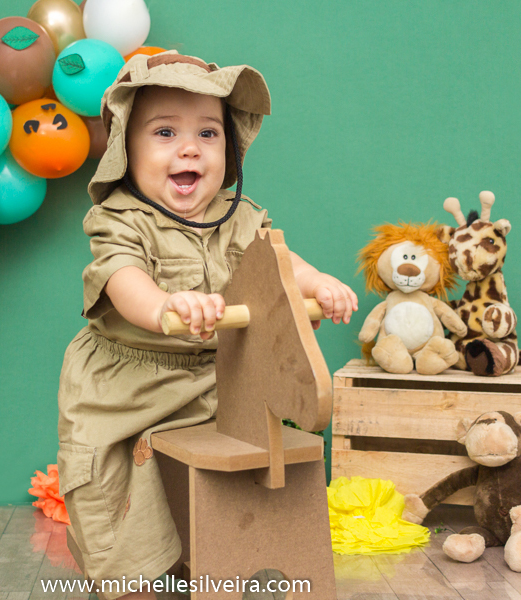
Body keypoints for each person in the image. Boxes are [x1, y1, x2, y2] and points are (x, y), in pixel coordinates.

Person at [57, 52, 357, 600]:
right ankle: (128, 580)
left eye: (208, 133)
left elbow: (279, 264)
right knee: (108, 489)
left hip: (217, 375)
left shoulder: (241, 216)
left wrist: (318, 285)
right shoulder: (120, 218)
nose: (189, 148)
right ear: (127, 148)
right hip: (127, 385)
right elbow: (124, 282)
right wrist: (165, 305)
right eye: (165, 132)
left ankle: (229, 553)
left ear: (230, 149)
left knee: (238, 464)